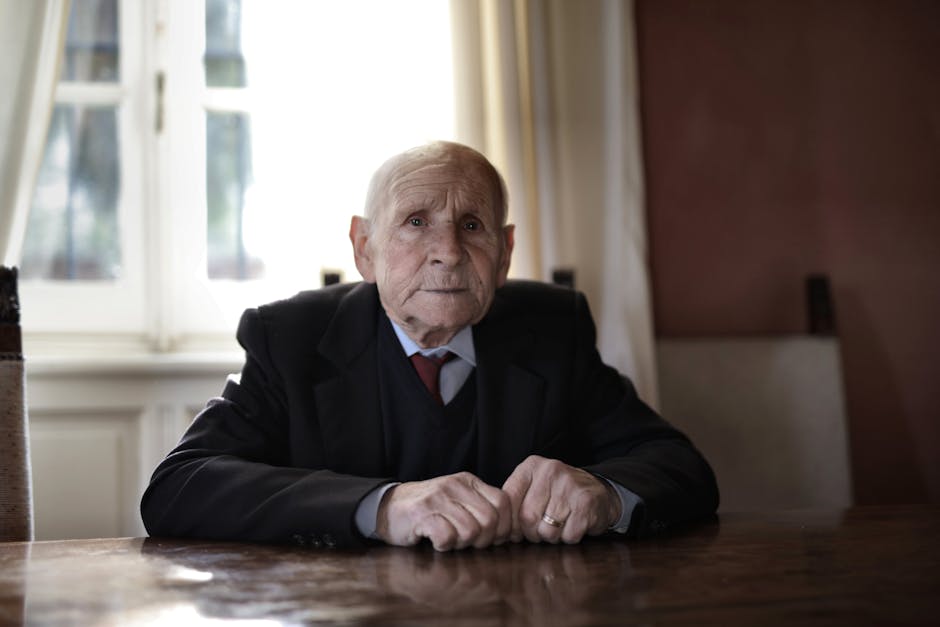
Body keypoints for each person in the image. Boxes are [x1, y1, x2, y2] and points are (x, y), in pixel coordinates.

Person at [141, 141, 718, 551]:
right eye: (416, 222)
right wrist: (383, 507)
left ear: (506, 251)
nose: (447, 250)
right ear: (364, 248)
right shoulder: (291, 338)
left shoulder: (552, 329)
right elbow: (179, 486)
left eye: (472, 225)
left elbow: (681, 468)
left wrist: (605, 495)